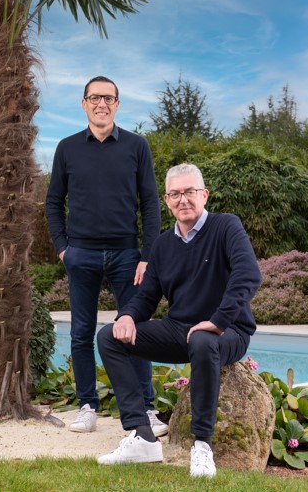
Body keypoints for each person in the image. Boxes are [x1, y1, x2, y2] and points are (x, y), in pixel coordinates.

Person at [96, 163, 262, 477]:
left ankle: (202, 446)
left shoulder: (226, 226)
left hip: (228, 331)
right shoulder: (162, 244)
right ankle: (142, 437)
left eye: (189, 192)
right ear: (167, 200)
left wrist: (218, 321)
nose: (183, 199)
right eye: (175, 194)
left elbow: (248, 274)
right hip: (180, 331)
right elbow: (147, 297)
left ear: (204, 195)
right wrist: (127, 316)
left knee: (202, 340)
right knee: (109, 336)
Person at [45, 76, 165, 436]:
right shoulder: (67, 148)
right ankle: (87, 405)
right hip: (80, 253)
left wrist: (147, 256)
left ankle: (146, 408)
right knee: (81, 333)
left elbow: (151, 203)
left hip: (127, 254)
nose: (102, 104)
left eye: (109, 98)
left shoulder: (136, 146)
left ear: (117, 104)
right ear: (84, 103)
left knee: (134, 331)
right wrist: (63, 248)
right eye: (95, 98)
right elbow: (53, 202)